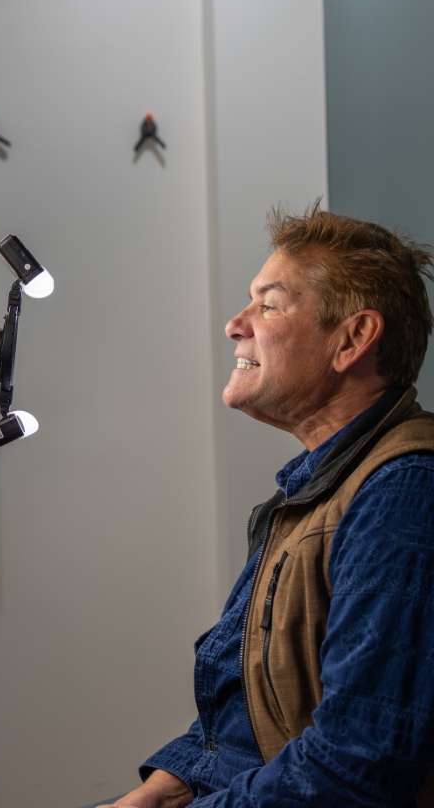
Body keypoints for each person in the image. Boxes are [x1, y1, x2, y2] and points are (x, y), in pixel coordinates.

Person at [91, 203, 434, 808]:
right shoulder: (313, 491)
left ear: (352, 338)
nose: (235, 324)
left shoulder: (403, 494)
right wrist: (159, 792)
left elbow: (356, 765)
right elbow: (238, 716)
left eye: (268, 304)